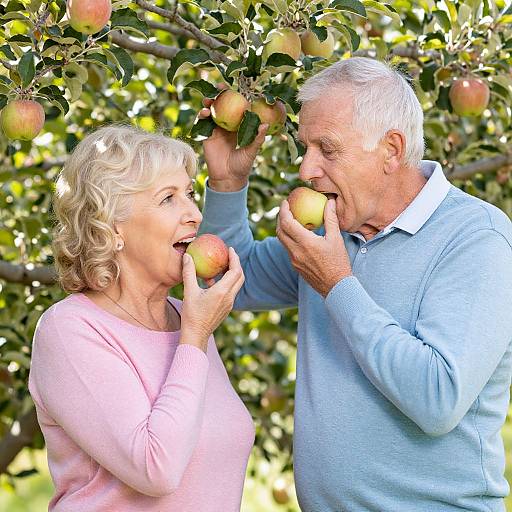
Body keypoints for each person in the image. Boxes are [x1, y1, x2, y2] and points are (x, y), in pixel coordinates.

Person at [198, 57, 512, 511]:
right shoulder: (331, 233)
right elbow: (229, 282)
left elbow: (438, 399)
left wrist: (337, 284)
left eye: (327, 149)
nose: (307, 170)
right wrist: (228, 182)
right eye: (305, 147)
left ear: (391, 149)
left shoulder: (475, 238)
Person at [28, 125, 253, 512]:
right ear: (113, 225)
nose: (195, 214)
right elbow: (157, 469)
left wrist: (195, 332)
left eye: (190, 194)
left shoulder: (187, 319)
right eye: (168, 199)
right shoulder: (70, 331)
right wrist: (195, 337)